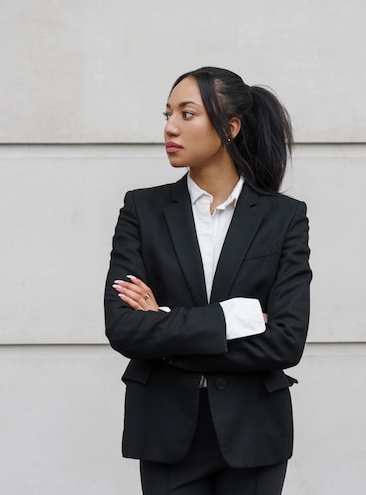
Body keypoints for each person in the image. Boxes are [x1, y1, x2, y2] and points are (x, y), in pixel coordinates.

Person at [104, 66, 312, 495]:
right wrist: (237, 318)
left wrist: (164, 323)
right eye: (166, 115)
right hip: (166, 430)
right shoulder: (141, 210)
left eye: (186, 114)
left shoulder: (284, 217)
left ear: (230, 127)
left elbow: (286, 341)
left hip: (253, 431)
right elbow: (124, 327)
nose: (169, 128)